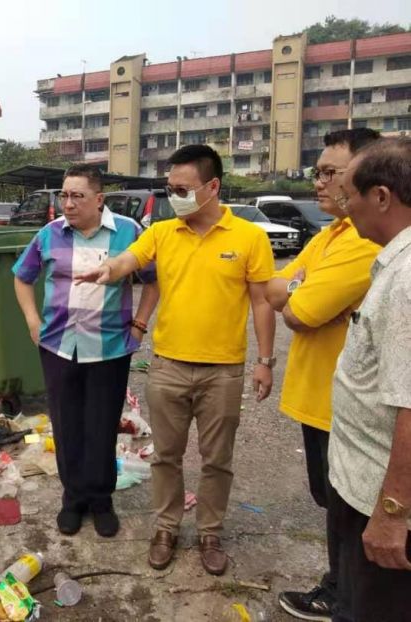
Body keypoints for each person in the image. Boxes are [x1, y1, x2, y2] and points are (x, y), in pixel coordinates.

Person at [74, 145, 276, 575]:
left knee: (217, 459)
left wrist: (265, 360)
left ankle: (210, 532)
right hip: (167, 367)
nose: (175, 196)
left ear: (213, 187)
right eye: (170, 188)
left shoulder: (249, 237)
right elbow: (133, 257)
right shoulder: (163, 232)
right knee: (165, 456)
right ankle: (166, 527)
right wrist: (109, 270)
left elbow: (261, 302)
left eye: (182, 188)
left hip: (223, 370)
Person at [266, 129, 381, 622]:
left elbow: (299, 312)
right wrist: (299, 288)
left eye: (331, 173)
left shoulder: (361, 239)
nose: (319, 183)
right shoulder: (332, 233)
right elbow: (278, 288)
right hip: (318, 398)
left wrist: (299, 292)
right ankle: (343, 588)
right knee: (334, 507)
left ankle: (344, 595)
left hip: (344, 408)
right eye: (317, 172)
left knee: (351, 512)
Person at [12, 163, 159, 538]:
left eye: (77, 196)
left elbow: (153, 281)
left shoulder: (128, 232)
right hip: (59, 346)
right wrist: (32, 320)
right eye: (64, 195)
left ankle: (101, 498)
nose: (68, 203)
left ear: (99, 199)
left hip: (109, 347)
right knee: (66, 423)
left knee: (101, 423)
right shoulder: (48, 235)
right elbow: (22, 276)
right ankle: (73, 498)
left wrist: (140, 325)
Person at [326, 137, 411, 622]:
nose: (344, 205)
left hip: (379, 500)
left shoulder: (405, 280)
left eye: (349, 194)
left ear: (381, 197)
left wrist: (391, 515)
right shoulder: (394, 265)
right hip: (364, 487)